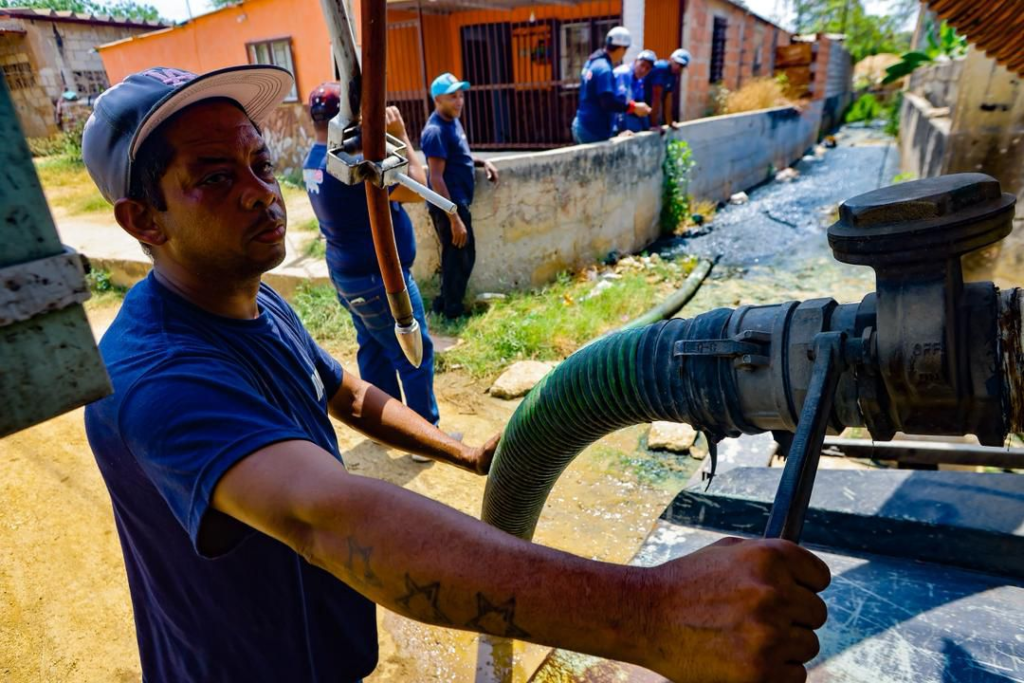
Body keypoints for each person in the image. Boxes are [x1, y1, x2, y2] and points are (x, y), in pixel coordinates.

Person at [80, 64, 830, 683]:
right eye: (214, 177)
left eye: (258, 163)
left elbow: (348, 394)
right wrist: (653, 613)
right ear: (143, 219)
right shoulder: (157, 377)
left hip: (318, 650)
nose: (258, 189)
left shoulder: (257, 301)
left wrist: (464, 452)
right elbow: (325, 517)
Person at [302, 83, 439, 462]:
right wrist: (401, 135)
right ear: (348, 117)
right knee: (413, 353)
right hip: (380, 279)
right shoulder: (352, 166)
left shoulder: (314, 158)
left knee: (374, 348)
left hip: (346, 273)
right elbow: (418, 188)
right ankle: (424, 439)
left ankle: (385, 429)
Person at [420, 72, 498, 319]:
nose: (459, 101)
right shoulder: (435, 131)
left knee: (458, 257)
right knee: (460, 258)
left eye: (461, 95)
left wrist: (482, 162)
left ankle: (443, 304)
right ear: (438, 100)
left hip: (457, 203)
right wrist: (454, 218)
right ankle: (452, 312)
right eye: (452, 97)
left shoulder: (452, 121)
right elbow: (436, 178)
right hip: (448, 207)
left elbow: (458, 157)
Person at [572, 26, 652, 144]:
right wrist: (633, 107)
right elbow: (608, 102)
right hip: (593, 129)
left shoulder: (592, 62)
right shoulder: (605, 69)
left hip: (582, 123)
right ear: (621, 49)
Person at [614, 49, 657, 134]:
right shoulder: (624, 73)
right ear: (635, 61)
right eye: (642, 65)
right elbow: (619, 102)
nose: (643, 70)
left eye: (647, 68)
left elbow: (639, 100)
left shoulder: (639, 80)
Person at [647, 48, 691, 128]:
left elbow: (668, 99)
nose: (678, 67)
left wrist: (670, 122)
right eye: (677, 63)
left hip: (651, 106)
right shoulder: (662, 68)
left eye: (681, 66)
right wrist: (654, 124)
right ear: (671, 59)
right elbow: (656, 97)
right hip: (643, 102)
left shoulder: (673, 76)